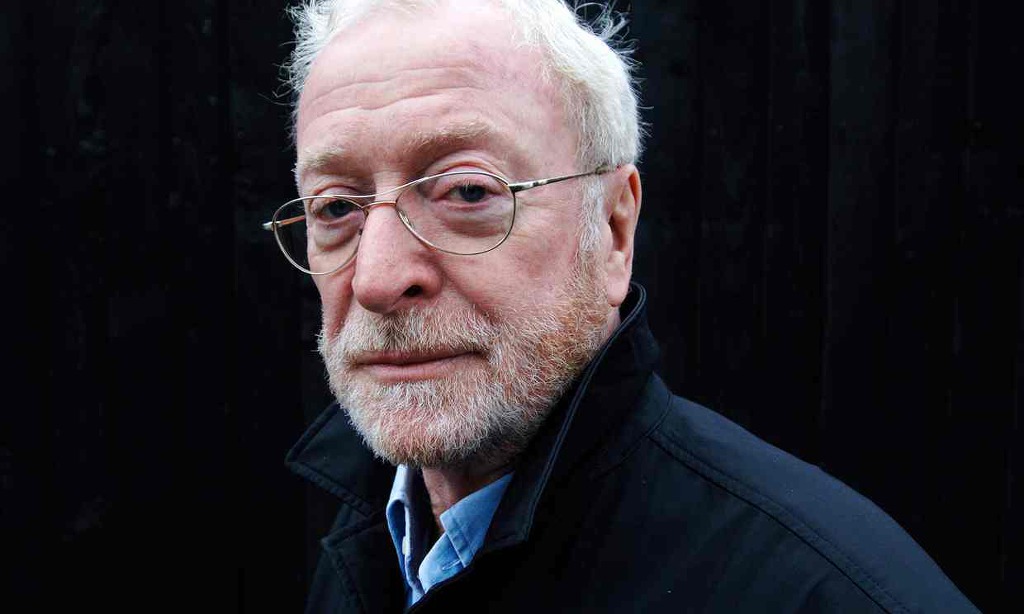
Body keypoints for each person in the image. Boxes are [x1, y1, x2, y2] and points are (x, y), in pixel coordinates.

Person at [264, 0, 978, 611]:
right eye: (335, 207)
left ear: (612, 230)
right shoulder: (370, 540)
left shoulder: (829, 593)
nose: (377, 278)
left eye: (468, 192)